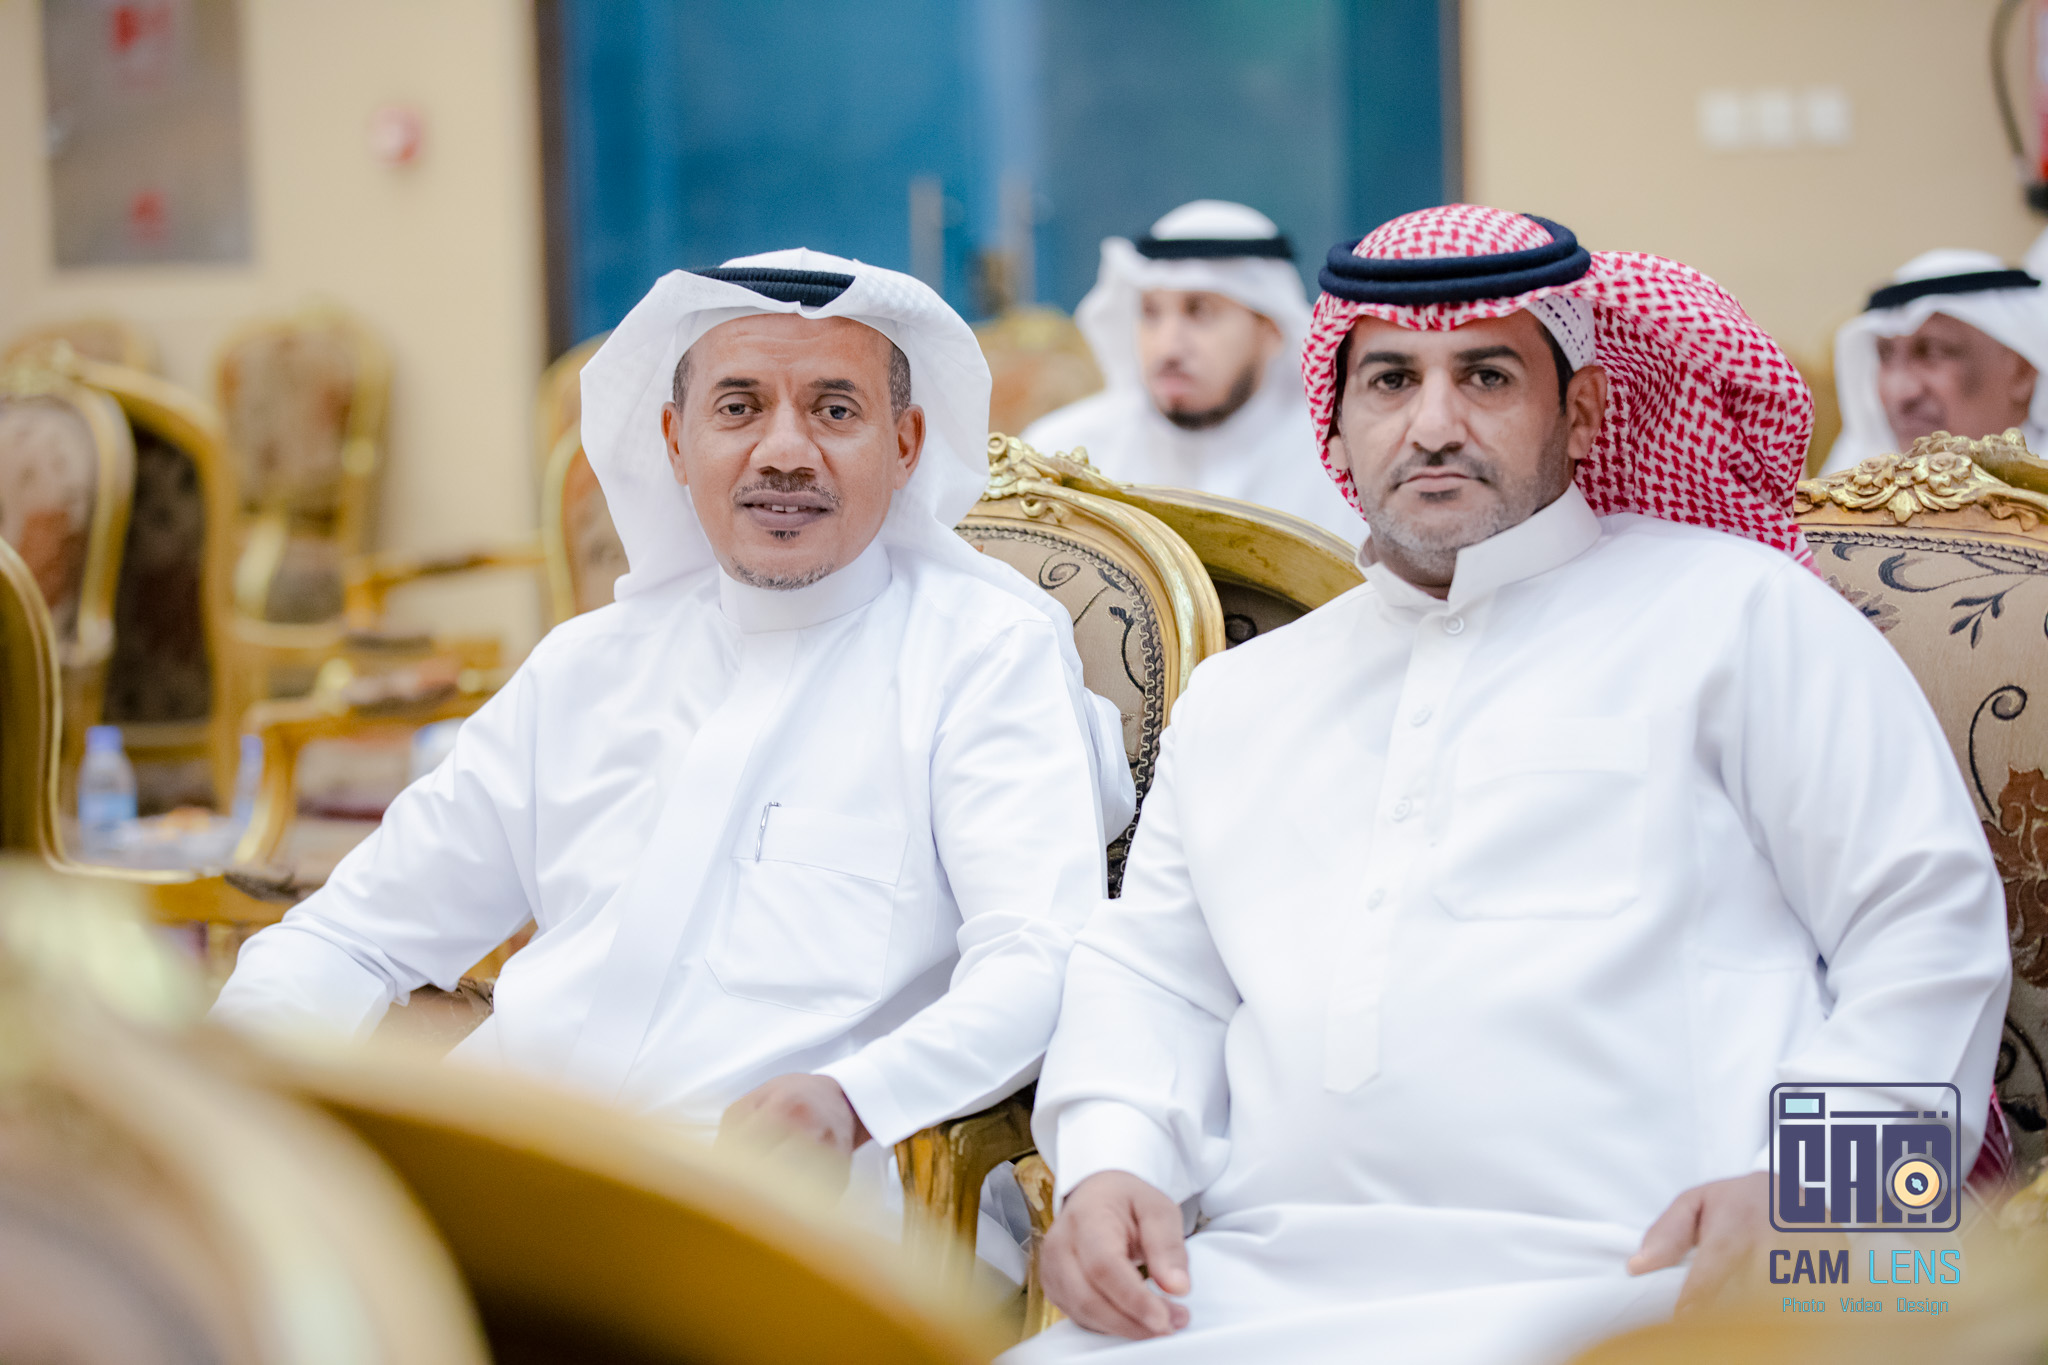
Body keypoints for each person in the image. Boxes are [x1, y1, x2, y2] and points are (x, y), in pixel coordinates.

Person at [1014, 206, 2011, 1363]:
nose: (1432, 425)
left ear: (1580, 411)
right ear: (1333, 416)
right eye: (1390, 380)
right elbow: (1155, 977)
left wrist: (1814, 1203)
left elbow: (1921, 926)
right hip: (1248, 1292)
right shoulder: (1245, 695)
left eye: (1485, 376)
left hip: (1663, 1294)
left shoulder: (1740, 615)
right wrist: (1111, 1164)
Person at [211, 254, 1136, 1267]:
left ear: (906, 443)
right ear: (674, 439)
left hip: (793, 1228)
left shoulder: (982, 658)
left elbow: (1041, 957)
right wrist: (230, 1088)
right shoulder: (584, 668)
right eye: (738, 408)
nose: (784, 453)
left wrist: (855, 1097)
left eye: (834, 410)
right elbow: (350, 935)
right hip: (509, 1176)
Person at [1022, 201, 1365, 540]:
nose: (1168, 347)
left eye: (1200, 312)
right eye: (1151, 313)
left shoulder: (1345, 467)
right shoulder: (1059, 454)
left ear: (1272, 329)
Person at [1821, 248, 2048, 474]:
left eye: (1932, 352)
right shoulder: (1860, 465)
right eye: (1885, 355)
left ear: (2022, 371)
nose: (1900, 393)